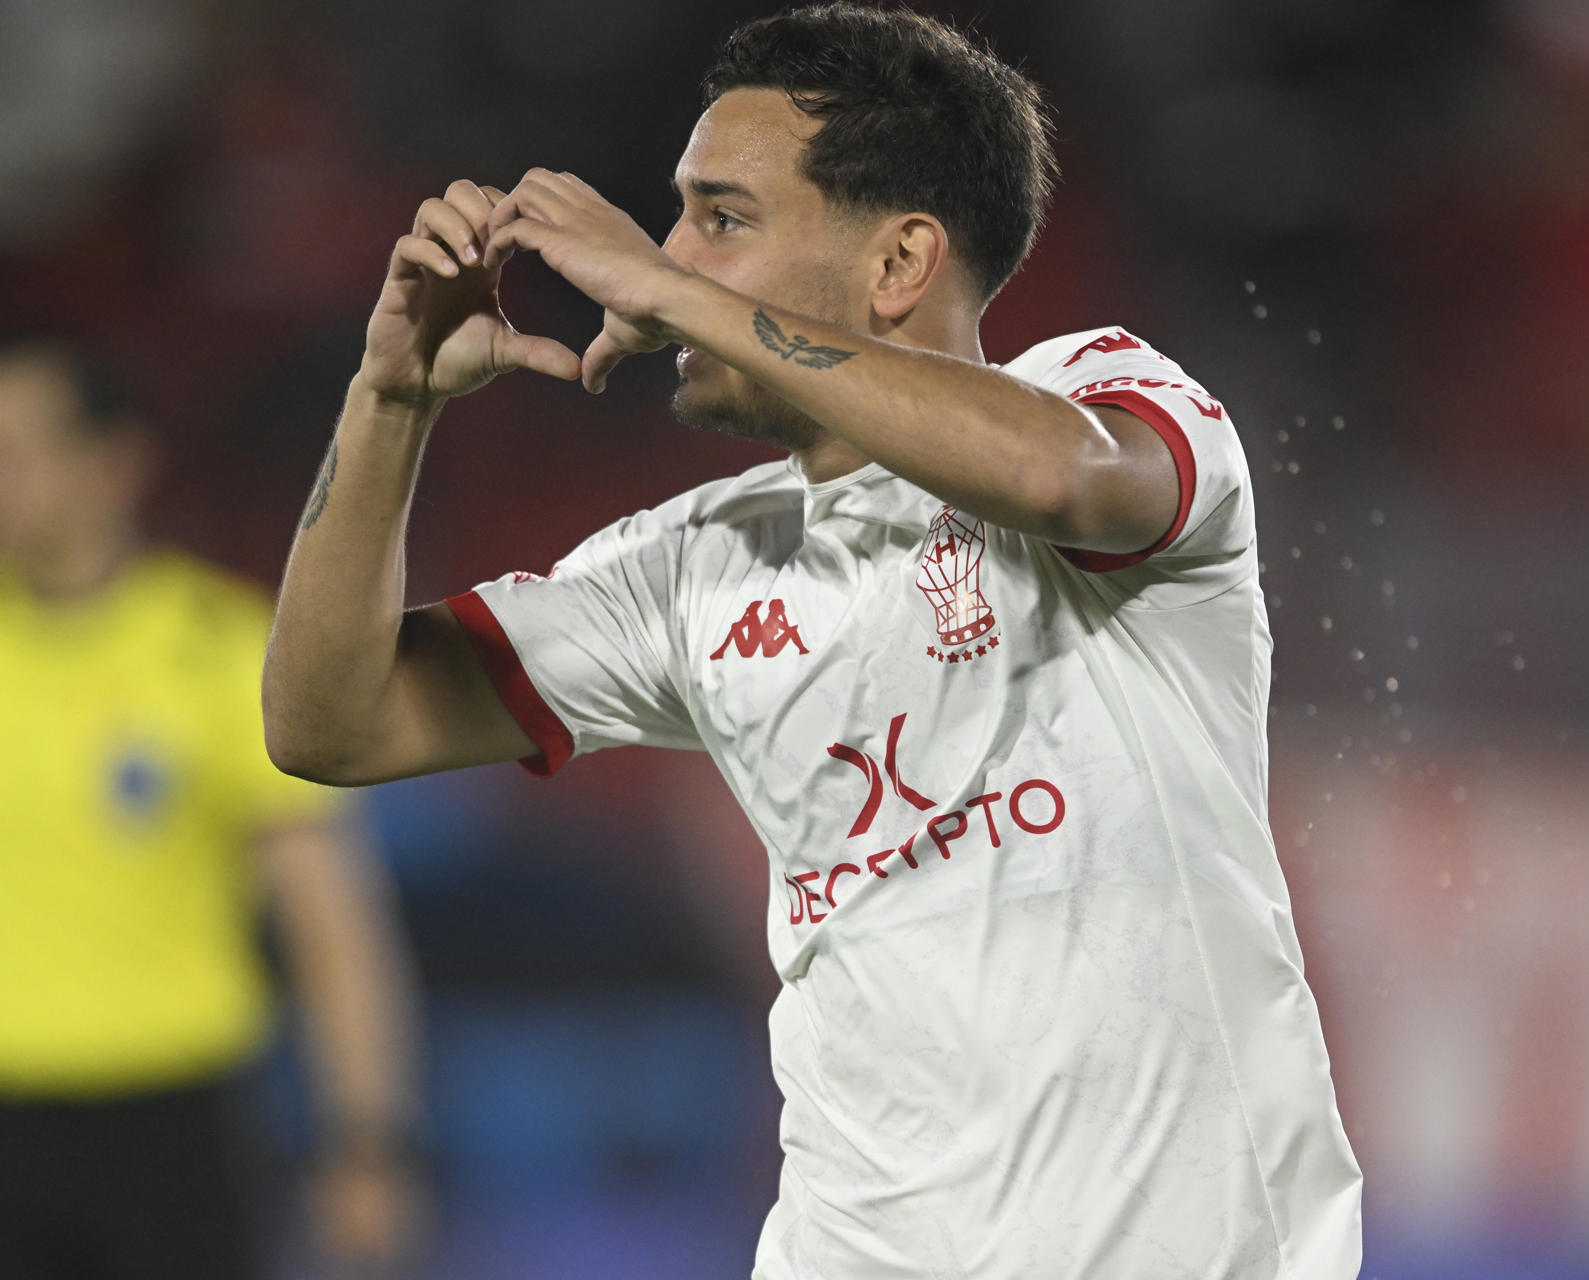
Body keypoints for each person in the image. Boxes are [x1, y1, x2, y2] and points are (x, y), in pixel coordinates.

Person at [263, 4, 1363, 1277]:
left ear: (900, 264)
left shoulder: (1108, 395)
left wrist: (672, 293)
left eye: (720, 220)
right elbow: (330, 722)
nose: (661, 254)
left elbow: (1068, 482)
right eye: (674, 221)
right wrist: (389, 395)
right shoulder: (691, 566)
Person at [0, 339, 425, 1278]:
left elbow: (329, 921)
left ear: (113, 463)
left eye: (20, 448)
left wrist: (366, 1143)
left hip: (173, 1122)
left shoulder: (222, 651)